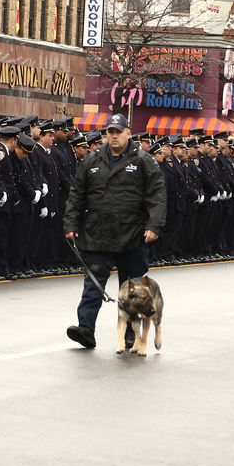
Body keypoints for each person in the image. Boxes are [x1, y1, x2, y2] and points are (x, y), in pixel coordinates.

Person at [62, 113, 166, 350]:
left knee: (133, 289)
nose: (114, 136)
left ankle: (131, 332)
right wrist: (70, 223)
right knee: (93, 285)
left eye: (118, 131)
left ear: (128, 133)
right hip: (97, 233)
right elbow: (76, 194)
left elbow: (157, 195)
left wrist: (154, 226)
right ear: (105, 134)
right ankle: (85, 328)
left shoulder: (143, 161)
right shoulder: (91, 160)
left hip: (132, 235)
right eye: (110, 132)